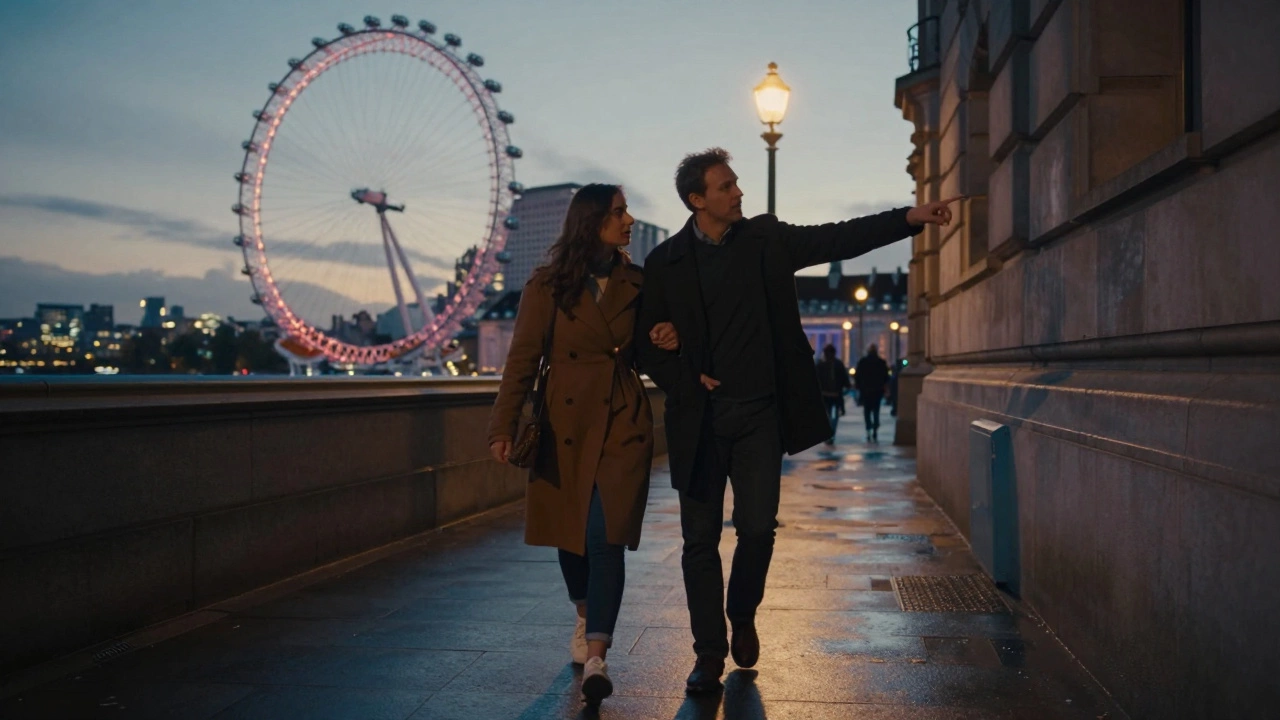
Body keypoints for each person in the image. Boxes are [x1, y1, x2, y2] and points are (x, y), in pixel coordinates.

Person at [635, 147, 960, 693]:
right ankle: (708, 654)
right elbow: (646, 345)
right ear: (697, 200)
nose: (739, 192)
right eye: (726, 186)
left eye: (738, 182)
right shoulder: (664, 263)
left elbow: (838, 238)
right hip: (700, 420)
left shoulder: (766, 239)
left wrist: (908, 219)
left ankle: (741, 613)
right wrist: (683, 375)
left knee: (758, 529)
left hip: (761, 412)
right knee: (698, 541)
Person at [487, 184, 679, 706]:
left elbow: (646, 352)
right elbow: (522, 361)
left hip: (622, 423)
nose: (629, 220)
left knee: (605, 537)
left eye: (626, 212)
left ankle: (597, 656)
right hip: (562, 426)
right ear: (592, 221)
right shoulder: (548, 286)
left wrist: (665, 336)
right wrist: (503, 427)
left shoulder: (638, 283)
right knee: (570, 537)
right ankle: (583, 609)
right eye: (618, 213)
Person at [815, 344, 851, 444]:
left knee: (827, 416)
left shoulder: (820, 365)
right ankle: (831, 433)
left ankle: (828, 434)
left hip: (824, 395)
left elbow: (815, 379)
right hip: (836, 395)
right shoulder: (838, 364)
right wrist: (847, 386)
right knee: (834, 417)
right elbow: (844, 378)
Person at [855, 344, 890, 442]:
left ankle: (868, 427)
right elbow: (886, 377)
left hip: (866, 390)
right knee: (876, 410)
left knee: (867, 411)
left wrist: (859, 387)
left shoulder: (863, 362)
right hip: (877, 390)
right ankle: (875, 426)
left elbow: (858, 376)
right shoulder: (881, 362)